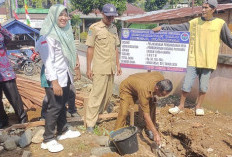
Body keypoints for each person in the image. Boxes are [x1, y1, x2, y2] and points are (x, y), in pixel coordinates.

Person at [153, 0, 232, 116]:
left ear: (213, 9)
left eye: (206, 8)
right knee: (186, 84)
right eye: (202, 7)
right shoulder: (195, 22)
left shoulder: (220, 23)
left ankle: (198, 106)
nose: (203, 10)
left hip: (208, 61)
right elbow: (180, 27)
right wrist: (163, 28)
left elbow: (229, 39)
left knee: (203, 86)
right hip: (193, 59)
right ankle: (180, 106)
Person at [35, 4, 81, 153]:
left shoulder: (63, 33)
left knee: (63, 105)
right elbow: (48, 61)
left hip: (64, 75)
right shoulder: (47, 35)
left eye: (65, 15)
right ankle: (48, 139)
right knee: (54, 107)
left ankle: (63, 130)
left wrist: (75, 68)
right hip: (53, 77)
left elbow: (68, 55)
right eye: (60, 15)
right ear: (53, 16)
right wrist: (54, 82)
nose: (63, 18)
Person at [85, 3, 122, 133]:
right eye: (108, 17)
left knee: (107, 95)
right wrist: (89, 68)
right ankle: (90, 123)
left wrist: (118, 65)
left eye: (113, 17)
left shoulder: (114, 28)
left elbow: (116, 48)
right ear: (102, 14)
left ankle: (99, 116)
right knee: (96, 95)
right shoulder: (94, 28)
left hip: (111, 68)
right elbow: (90, 49)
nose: (111, 19)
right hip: (100, 68)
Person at [114, 72, 173, 146]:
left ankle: (149, 129)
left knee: (152, 102)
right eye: (162, 94)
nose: (162, 96)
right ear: (157, 88)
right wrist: (156, 133)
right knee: (123, 113)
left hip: (139, 87)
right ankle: (116, 137)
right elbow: (146, 115)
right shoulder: (144, 91)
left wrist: (153, 96)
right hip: (127, 89)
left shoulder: (160, 77)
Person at [0, 24, 28, 129]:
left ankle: (22, 118)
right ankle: (3, 120)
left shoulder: (1, 32)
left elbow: (10, 37)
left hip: (5, 70)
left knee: (13, 96)